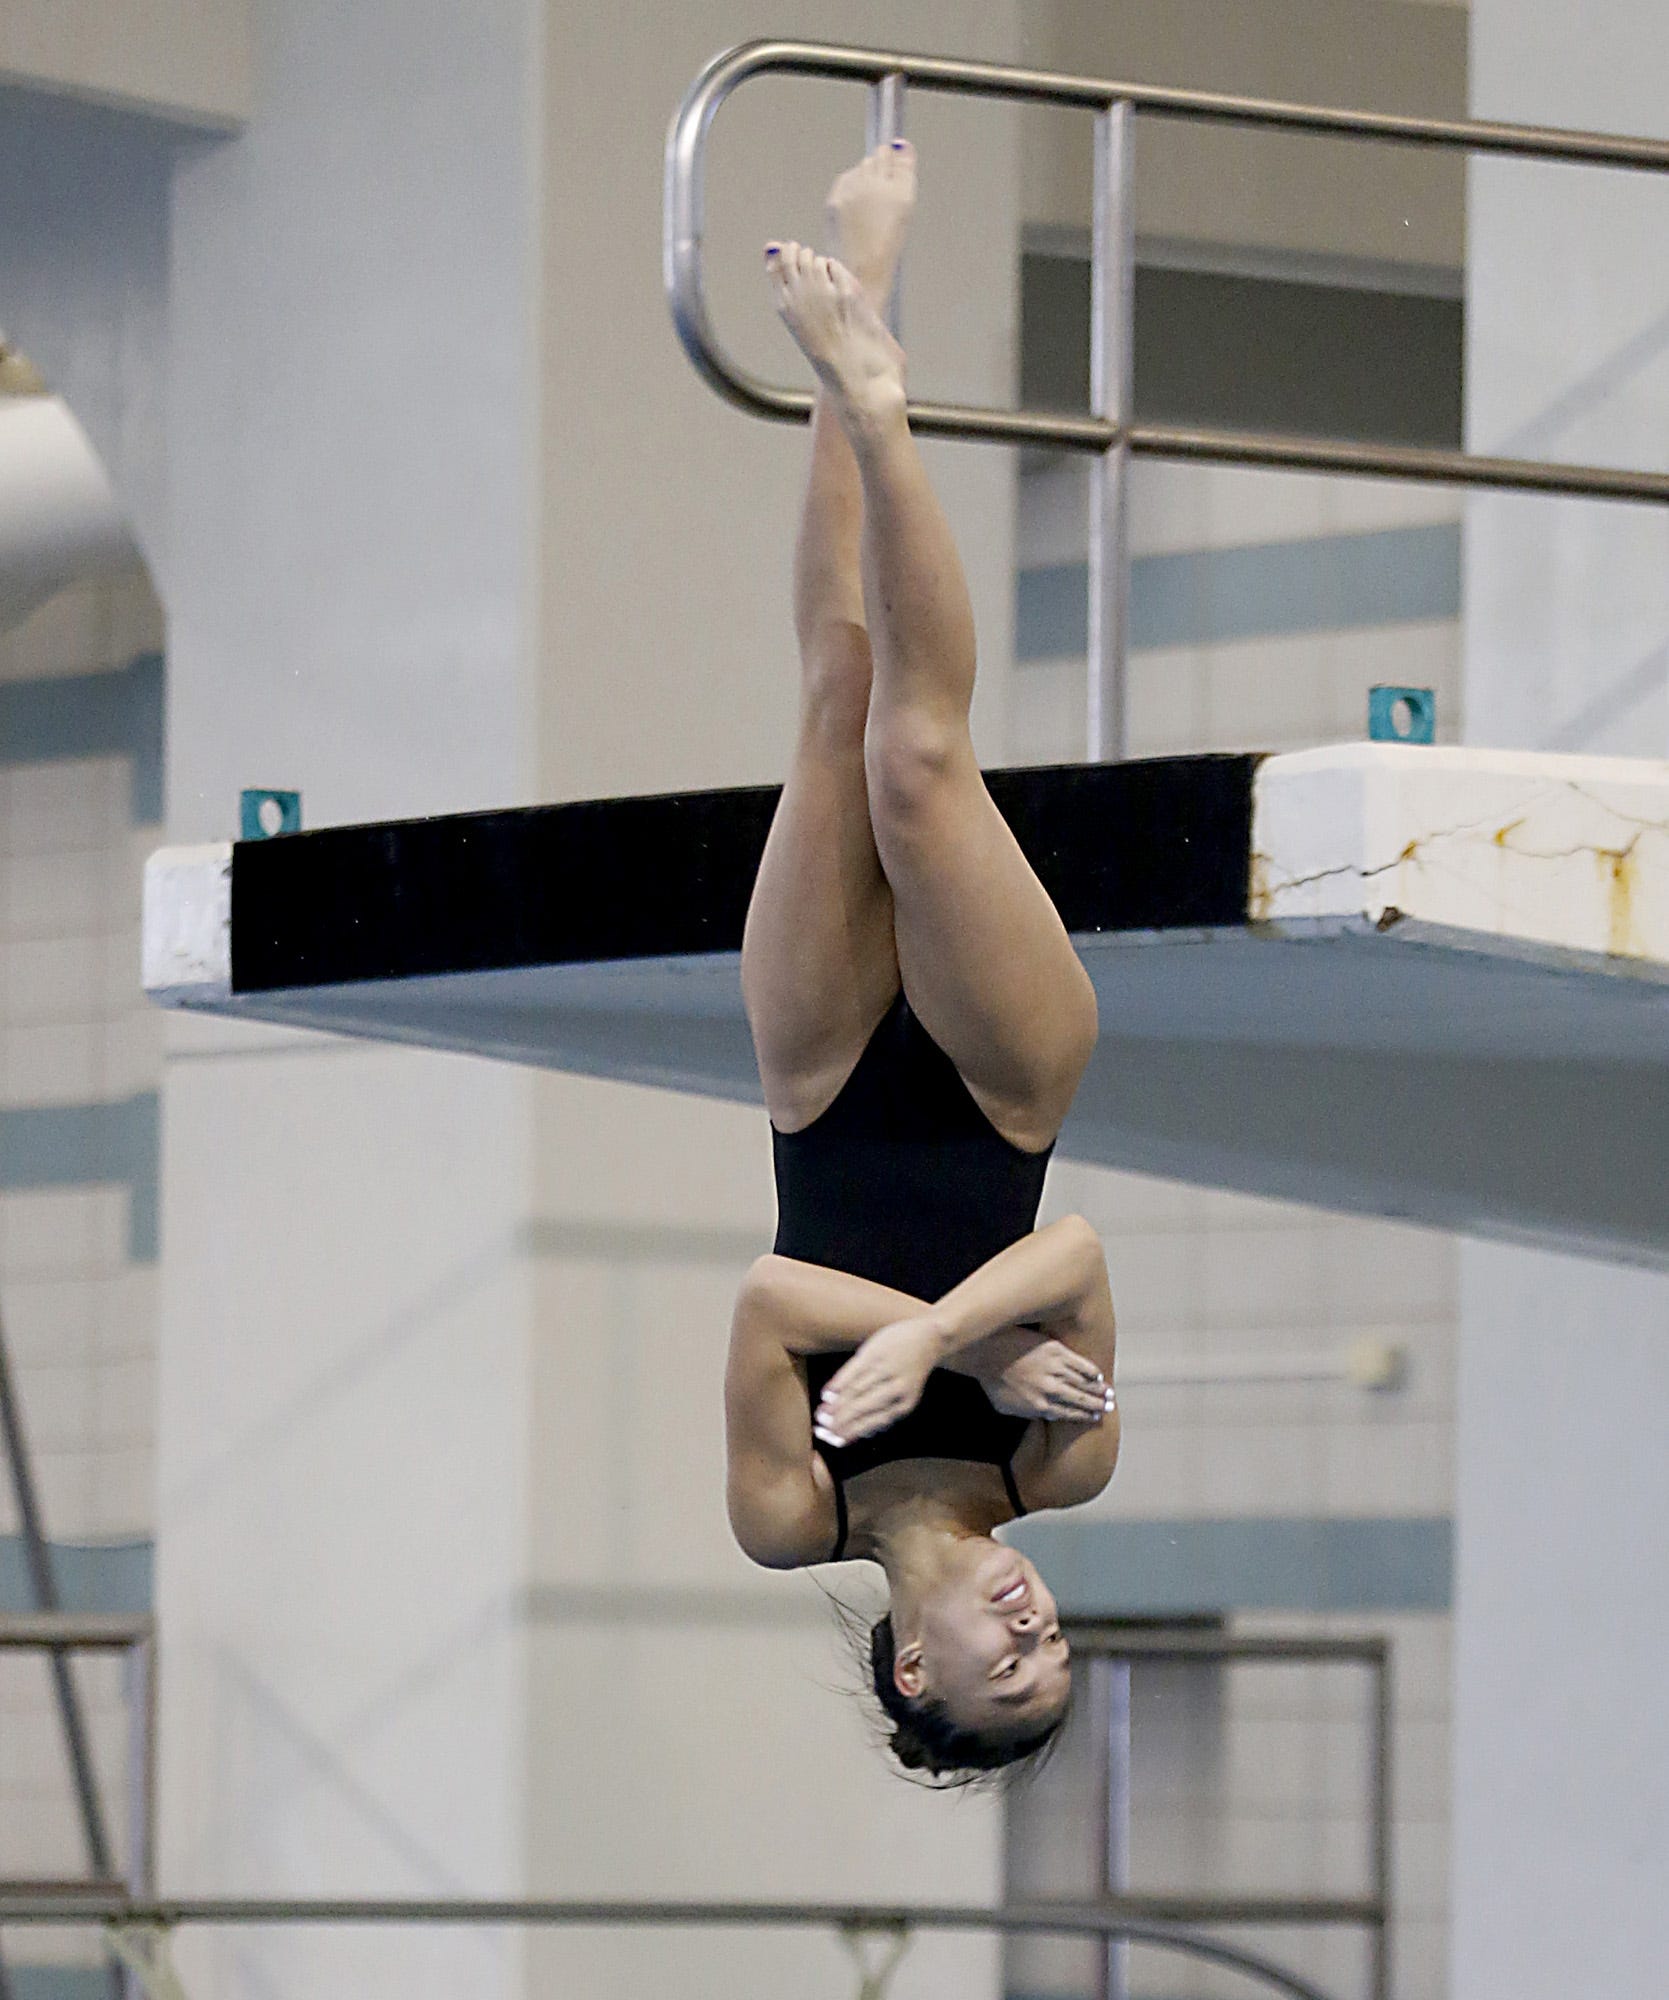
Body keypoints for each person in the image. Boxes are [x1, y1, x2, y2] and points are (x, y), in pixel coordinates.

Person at [726, 141, 1119, 1783]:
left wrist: (945, 1343)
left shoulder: (785, 1515)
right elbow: (1080, 1244)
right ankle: (880, 410)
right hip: (1000, 1085)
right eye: (1055, 1653)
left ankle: (859, 300)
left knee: (835, 697)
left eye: (1000, 1669)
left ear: (909, 1664)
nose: (1033, 1629)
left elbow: (767, 1297)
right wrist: (954, 1331)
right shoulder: (1060, 1471)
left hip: (819, 1089)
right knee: (917, 762)